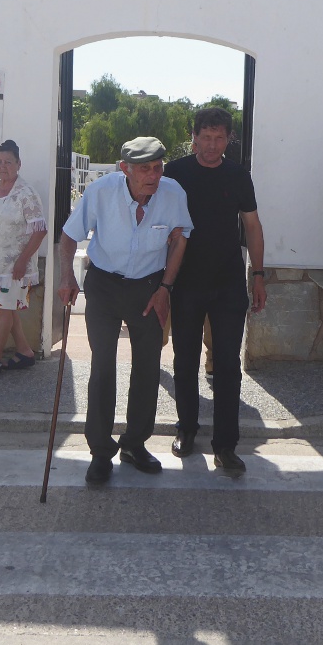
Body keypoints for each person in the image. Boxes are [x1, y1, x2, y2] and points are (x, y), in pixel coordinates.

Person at [58, 136, 193, 485]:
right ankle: (100, 451)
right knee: (102, 366)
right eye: (145, 168)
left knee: (147, 367)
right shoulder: (101, 191)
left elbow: (180, 240)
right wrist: (67, 278)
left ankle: (135, 444)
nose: (153, 175)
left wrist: (165, 288)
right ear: (125, 169)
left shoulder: (173, 193)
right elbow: (69, 235)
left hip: (148, 287)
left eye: (158, 167)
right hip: (104, 284)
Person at [164, 107, 267, 477]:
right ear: (194, 137)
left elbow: (252, 227)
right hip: (185, 282)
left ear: (228, 140)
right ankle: (186, 430)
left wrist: (258, 274)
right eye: (205, 137)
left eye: (219, 138)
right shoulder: (174, 174)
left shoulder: (238, 175)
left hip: (227, 283)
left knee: (227, 366)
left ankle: (226, 446)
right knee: (185, 360)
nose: (211, 145)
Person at [0, 139, 47, 379]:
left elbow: (39, 230)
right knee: (6, 307)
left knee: (3, 309)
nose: (3, 166)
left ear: (18, 164)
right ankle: (25, 351)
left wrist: (22, 261)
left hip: (12, 265)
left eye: (8, 162)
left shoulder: (25, 194)